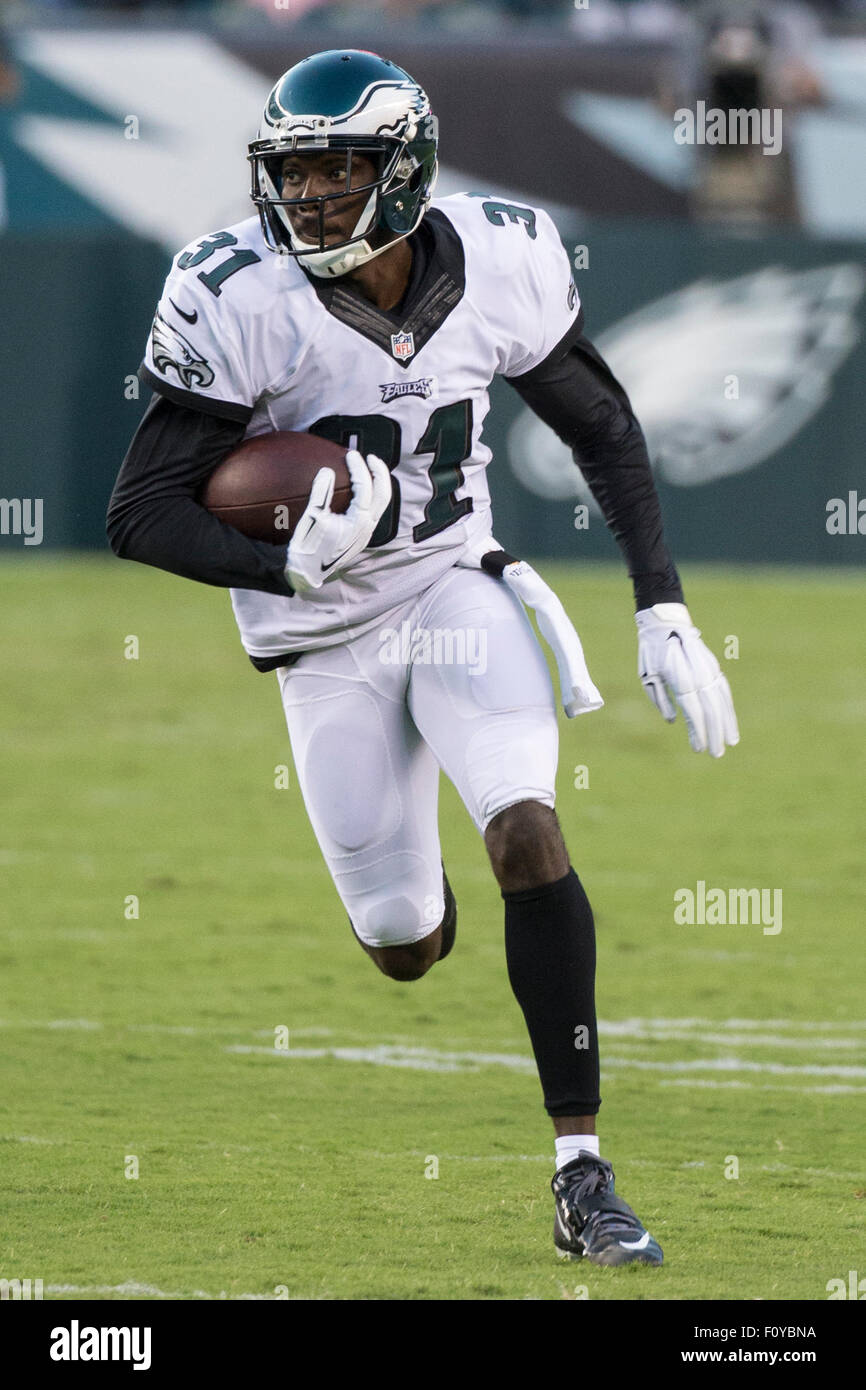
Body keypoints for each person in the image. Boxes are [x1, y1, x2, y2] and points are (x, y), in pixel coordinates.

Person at [107, 48, 738, 1267]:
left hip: (454, 585)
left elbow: (599, 424)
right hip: (317, 633)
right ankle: (418, 895)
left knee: (524, 827)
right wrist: (287, 563)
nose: (309, 200)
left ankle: (580, 1173)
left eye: (337, 173)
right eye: (292, 175)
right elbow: (142, 512)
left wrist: (660, 607)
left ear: (403, 172)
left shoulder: (501, 256)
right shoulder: (237, 291)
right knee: (402, 943)